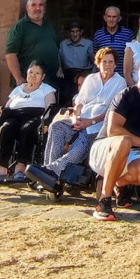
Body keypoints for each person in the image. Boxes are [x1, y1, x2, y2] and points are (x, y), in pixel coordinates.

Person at [25, 47, 126, 191]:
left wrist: (89, 122)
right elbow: (80, 101)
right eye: (104, 61)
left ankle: (50, 172)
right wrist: (76, 117)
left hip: (98, 125)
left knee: (83, 140)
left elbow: (112, 110)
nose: (108, 65)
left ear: (116, 64)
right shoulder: (91, 79)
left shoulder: (120, 82)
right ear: (98, 63)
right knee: (56, 127)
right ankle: (49, 177)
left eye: (111, 62)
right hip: (80, 120)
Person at [87, 56, 140, 221]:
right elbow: (113, 130)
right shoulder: (126, 95)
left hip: (133, 150)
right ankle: (104, 200)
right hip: (105, 147)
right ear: (138, 72)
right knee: (125, 140)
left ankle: (115, 183)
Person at [0, 61, 58, 186]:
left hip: (35, 116)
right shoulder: (18, 89)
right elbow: (6, 107)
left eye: (37, 73)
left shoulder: (47, 89)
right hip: (14, 115)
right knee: (6, 128)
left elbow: (49, 110)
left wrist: (44, 123)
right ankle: (1, 170)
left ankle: (20, 169)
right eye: (31, 72)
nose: (33, 75)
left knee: (27, 129)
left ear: (43, 77)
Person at [4, 0, 61, 92]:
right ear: (27, 8)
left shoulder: (49, 26)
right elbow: (10, 54)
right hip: (29, 82)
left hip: (50, 81)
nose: (38, 8)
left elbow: (56, 49)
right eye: (33, 5)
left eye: (41, 5)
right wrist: (18, 77)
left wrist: (59, 68)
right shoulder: (20, 27)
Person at [92, 6, 133, 75]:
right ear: (104, 18)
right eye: (109, 16)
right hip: (104, 76)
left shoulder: (128, 34)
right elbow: (95, 56)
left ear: (119, 18)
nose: (111, 19)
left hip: (122, 77)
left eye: (114, 17)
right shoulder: (98, 35)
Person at [58, 20, 94, 100]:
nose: (75, 34)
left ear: (81, 32)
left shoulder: (88, 44)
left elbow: (94, 61)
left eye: (77, 31)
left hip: (84, 73)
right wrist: (60, 69)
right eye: (72, 32)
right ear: (68, 33)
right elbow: (58, 58)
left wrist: (93, 75)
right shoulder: (63, 44)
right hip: (69, 74)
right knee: (65, 93)